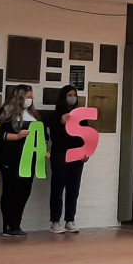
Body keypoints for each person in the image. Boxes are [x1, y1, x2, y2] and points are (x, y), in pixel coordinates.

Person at [0, 85, 42, 237]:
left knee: (25, 190)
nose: (30, 100)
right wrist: (16, 136)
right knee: (11, 190)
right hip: (10, 157)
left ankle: (17, 223)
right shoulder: (6, 112)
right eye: (27, 97)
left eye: (31, 97)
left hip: (29, 158)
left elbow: (42, 137)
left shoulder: (33, 115)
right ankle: (8, 224)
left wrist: (44, 150)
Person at [49, 85, 92, 234]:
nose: (72, 97)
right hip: (60, 154)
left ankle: (70, 220)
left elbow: (86, 136)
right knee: (58, 187)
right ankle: (55, 221)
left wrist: (86, 153)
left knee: (73, 188)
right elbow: (53, 136)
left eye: (74, 95)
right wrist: (61, 122)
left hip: (77, 155)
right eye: (69, 94)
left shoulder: (80, 116)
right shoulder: (56, 115)